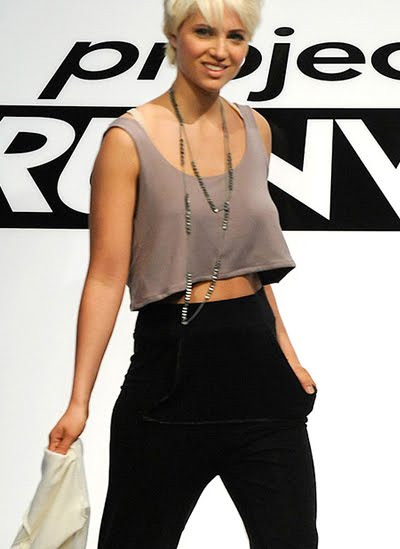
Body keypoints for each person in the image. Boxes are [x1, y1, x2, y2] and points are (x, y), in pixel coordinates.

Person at [48, 0, 319, 547]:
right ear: (174, 37)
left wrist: (287, 354)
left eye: (236, 37)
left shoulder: (255, 128)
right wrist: (79, 401)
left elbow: (249, 263)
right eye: (204, 32)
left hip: (261, 378)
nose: (221, 51)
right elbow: (105, 277)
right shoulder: (128, 140)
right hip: (170, 369)